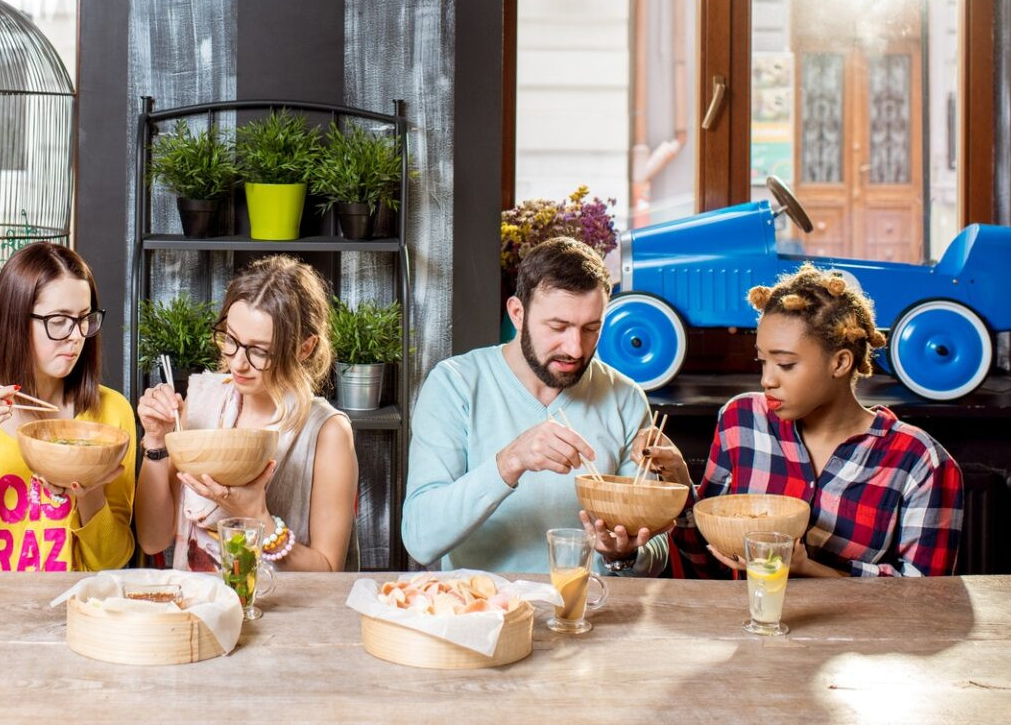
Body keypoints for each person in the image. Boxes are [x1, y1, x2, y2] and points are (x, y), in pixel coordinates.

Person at [645, 263, 964, 577]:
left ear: (839, 363)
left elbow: (925, 600)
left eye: (784, 364)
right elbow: (706, 560)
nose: (767, 380)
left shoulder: (920, 462)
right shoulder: (741, 421)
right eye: (762, 361)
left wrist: (806, 568)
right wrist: (678, 480)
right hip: (741, 624)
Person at [401, 235, 669, 576]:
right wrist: (510, 462)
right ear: (517, 313)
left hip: (592, 613)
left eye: (591, 329)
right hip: (484, 611)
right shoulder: (455, 384)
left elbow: (656, 545)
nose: (575, 348)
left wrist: (626, 555)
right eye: (558, 327)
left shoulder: (625, 397)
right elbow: (420, 539)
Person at [0, 242, 136, 571]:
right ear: (15, 321)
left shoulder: (110, 414)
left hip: (69, 614)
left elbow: (111, 561)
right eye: (59, 320)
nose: (76, 336)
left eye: (84, 319)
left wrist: (89, 490)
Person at [134, 255, 358, 572]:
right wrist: (157, 441)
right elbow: (152, 540)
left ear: (304, 348)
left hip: (282, 615)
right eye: (231, 340)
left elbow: (328, 573)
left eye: (259, 351)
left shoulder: (327, 432)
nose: (238, 362)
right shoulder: (202, 401)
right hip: (198, 609)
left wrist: (258, 516)